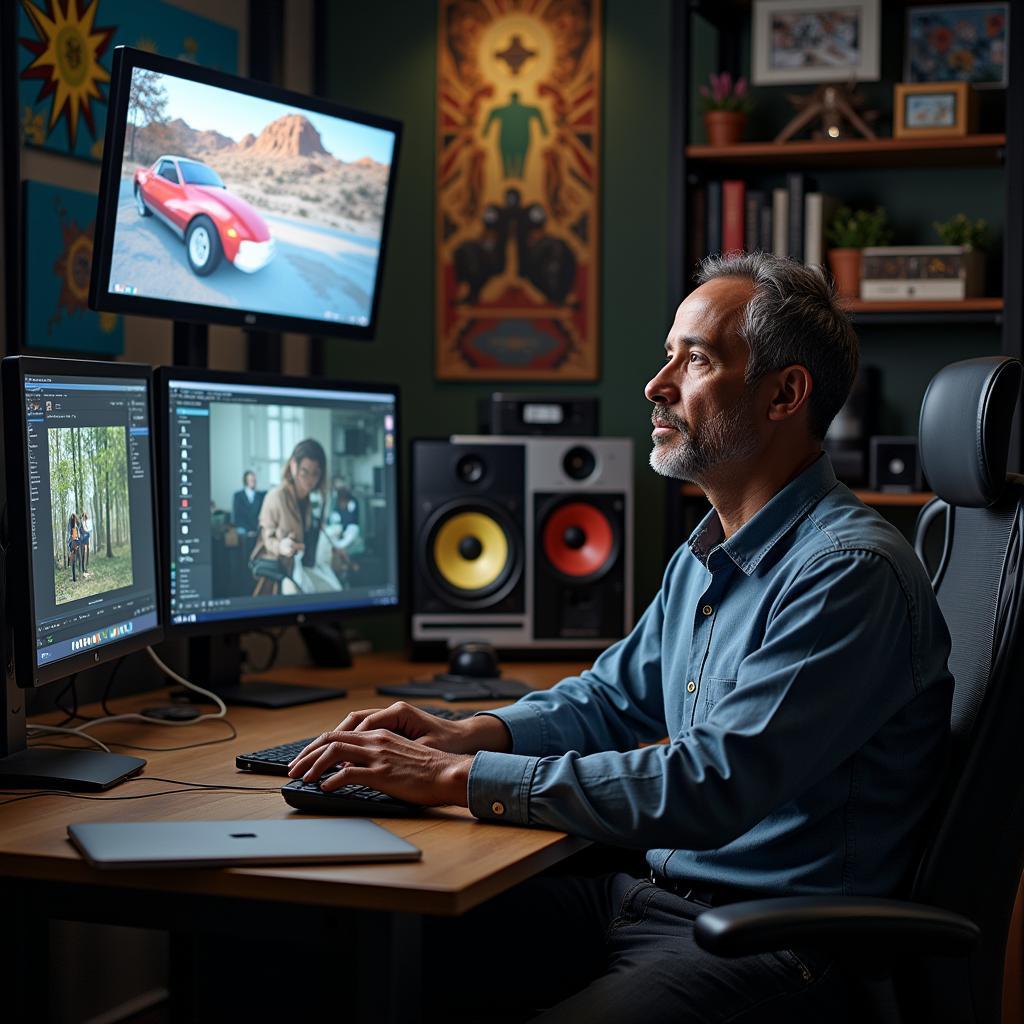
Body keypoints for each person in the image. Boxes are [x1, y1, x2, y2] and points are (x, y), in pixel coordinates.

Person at [288, 253, 954, 1022]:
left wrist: (456, 779)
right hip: (649, 900)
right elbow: (612, 698)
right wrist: (467, 732)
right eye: (667, 354)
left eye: (695, 358)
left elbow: (713, 783)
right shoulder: (705, 555)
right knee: (341, 947)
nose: (656, 384)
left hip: (777, 943)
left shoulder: (846, 574)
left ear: (785, 393)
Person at [249, 440, 341, 595]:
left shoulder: (309, 500)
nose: (309, 480)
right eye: (304, 472)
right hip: (279, 572)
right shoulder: (276, 496)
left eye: (315, 474)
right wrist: (281, 546)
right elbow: (267, 539)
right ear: (293, 465)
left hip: (301, 567)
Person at [232, 471, 265, 537]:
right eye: (251, 480)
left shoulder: (260, 496)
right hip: (243, 527)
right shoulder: (238, 496)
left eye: (254, 480)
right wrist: (248, 530)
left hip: (256, 527)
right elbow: (237, 516)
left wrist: (257, 529)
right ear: (246, 481)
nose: (253, 482)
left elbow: (261, 514)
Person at [66, 513, 81, 583]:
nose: (74, 520)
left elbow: (78, 536)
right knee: (73, 561)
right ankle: (74, 577)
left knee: (75, 560)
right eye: (73, 519)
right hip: (72, 544)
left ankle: (76, 575)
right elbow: (68, 538)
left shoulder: (76, 527)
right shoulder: (70, 528)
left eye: (74, 518)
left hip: (75, 543)